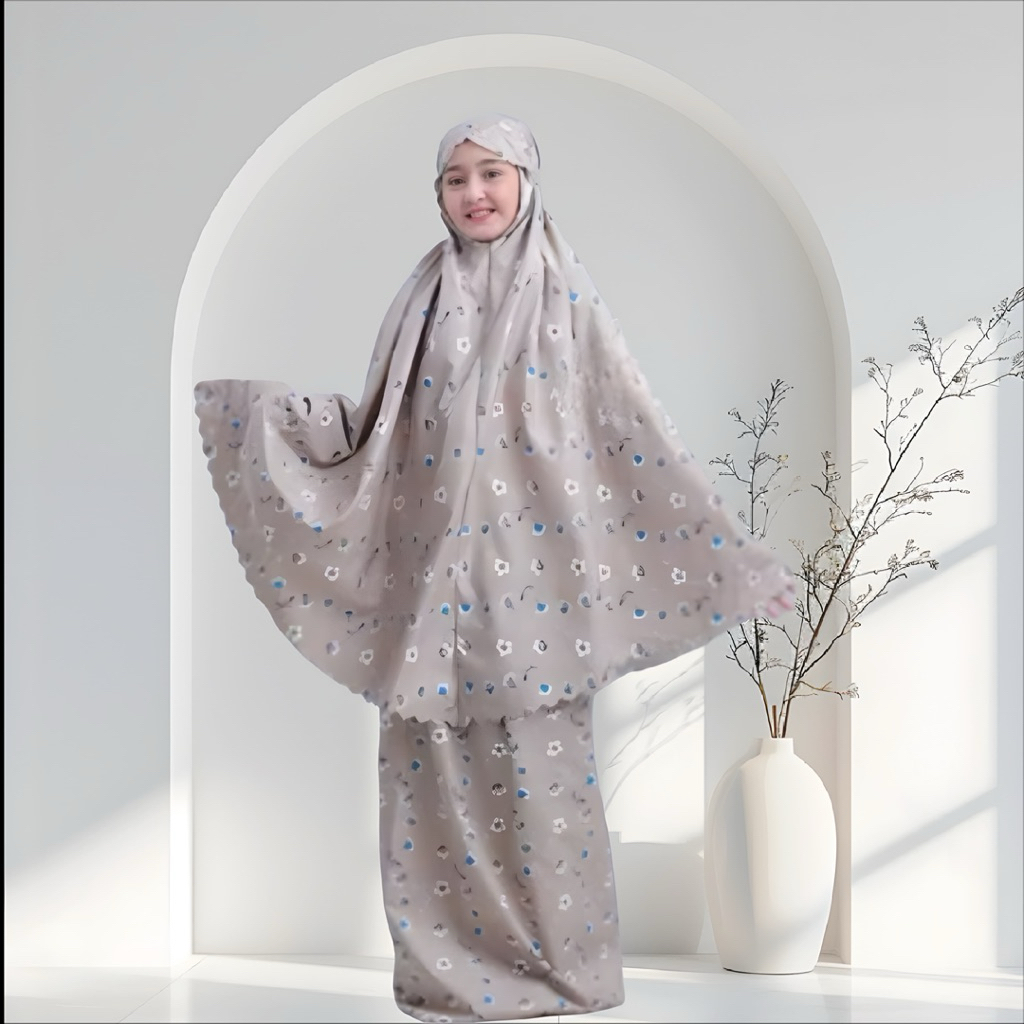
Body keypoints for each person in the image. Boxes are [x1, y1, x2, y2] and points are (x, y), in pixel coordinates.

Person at [194, 113, 795, 1023]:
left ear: (527, 179)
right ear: (437, 194)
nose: (474, 192)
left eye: (492, 173)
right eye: (455, 178)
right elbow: (384, 431)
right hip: (429, 584)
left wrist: (728, 557)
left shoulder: (566, 292)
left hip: (533, 587)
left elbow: (629, 424)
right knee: (429, 785)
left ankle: (564, 973)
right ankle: (448, 978)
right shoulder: (420, 295)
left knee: (543, 788)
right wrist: (278, 424)